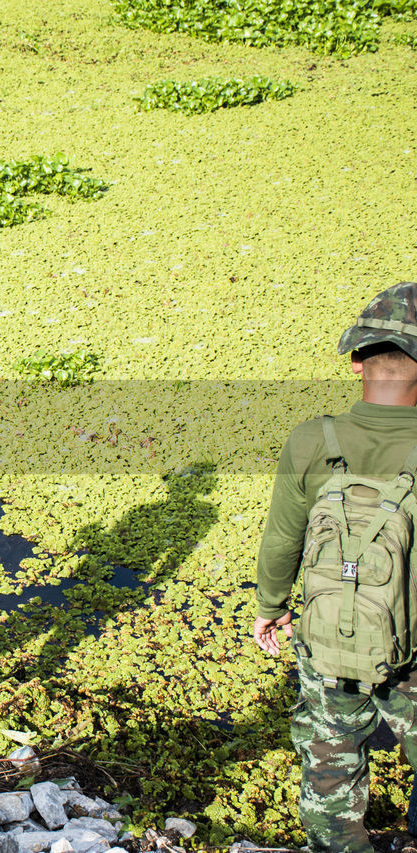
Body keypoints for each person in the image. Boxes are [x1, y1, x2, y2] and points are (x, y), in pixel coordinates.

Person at [255, 280, 417, 853]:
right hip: (414, 651)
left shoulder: (310, 440)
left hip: (328, 639)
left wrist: (271, 610)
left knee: (329, 768)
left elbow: (281, 542)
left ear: (356, 362)